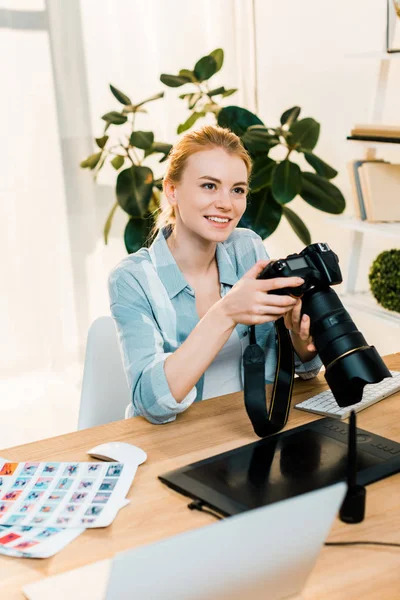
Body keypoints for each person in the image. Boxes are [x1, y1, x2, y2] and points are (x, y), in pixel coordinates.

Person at [108, 125, 321, 425]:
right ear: (172, 190)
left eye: (238, 190)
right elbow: (150, 403)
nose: (226, 203)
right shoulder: (133, 279)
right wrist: (225, 312)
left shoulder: (247, 248)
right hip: (177, 444)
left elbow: (305, 369)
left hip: (250, 429)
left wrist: (302, 341)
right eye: (209, 186)